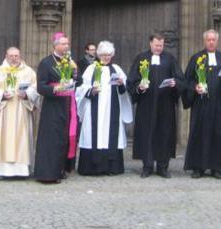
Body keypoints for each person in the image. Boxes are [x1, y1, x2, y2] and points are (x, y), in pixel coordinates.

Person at [182, 30, 221, 179]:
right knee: (199, 133)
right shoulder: (196, 58)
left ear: (217, 41)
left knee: (218, 134)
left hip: (219, 104)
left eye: (213, 40)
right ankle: (198, 167)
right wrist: (195, 87)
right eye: (208, 40)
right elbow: (187, 80)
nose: (211, 42)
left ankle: (217, 168)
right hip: (201, 105)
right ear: (204, 41)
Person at [126, 33, 185, 178]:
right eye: (156, 45)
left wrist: (174, 83)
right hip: (146, 104)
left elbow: (179, 77)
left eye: (161, 45)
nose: (159, 48)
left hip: (165, 104)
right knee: (147, 134)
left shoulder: (170, 59)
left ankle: (163, 167)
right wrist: (139, 87)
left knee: (164, 134)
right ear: (150, 43)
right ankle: (147, 166)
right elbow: (132, 80)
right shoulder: (141, 58)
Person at [75, 41, 132, 175]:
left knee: (111, 135)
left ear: (112, 55)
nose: (106, 57)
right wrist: (90, 91)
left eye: (108, 55)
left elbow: (125, 89)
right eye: (103, 55)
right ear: (99, 55)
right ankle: (91, 168)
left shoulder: (117, 69)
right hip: (93, 108)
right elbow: (81, 88)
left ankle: (111, 168)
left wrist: (121, 84)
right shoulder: (91, 69)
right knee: (92, 135)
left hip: (112, 109)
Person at [0, 47, 39, 178]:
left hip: (21, 112)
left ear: (20, 56)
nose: (14, 58)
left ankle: (21, 171)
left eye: (16, 56)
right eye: (11, 56)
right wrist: (2, 95)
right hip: (3, 112)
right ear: (6, 56)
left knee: (22, 138)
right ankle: (1, 171)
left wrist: (26, 94)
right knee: (2, 138)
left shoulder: (28, 72)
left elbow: (36, 88)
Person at [34, 33, 79, 183]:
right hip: (52, 106)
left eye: (67, 44)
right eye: (63, 44)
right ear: (56, 45)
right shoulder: (46, 63)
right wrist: (55, 89)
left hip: (67, 104)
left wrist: (75, 78)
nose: (66, 46)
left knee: (63, 139)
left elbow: (77, 80)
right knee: (51, 139)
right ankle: (47, 173)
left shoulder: (70, 62)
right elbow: (40, 87)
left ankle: (60, 169)